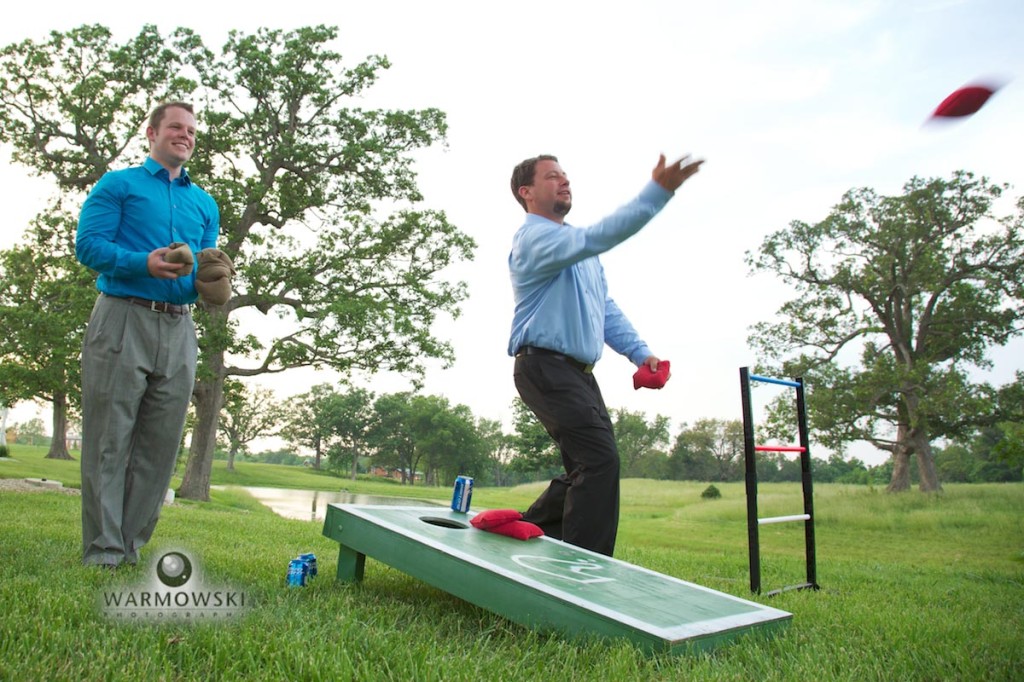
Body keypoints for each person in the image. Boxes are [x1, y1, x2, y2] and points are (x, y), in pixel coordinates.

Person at [507, 152, 703, 556]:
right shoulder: (536, 240)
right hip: (544, 366)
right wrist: (658, 192)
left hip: (577, 374)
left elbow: (604, 309)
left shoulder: (579, 251)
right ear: (526, 193)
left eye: (565, 175)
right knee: (599, 461)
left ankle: (524, 530)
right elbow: (598, 236)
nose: (564, 181)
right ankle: (584, 571)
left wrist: (639, 352)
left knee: (589, 465)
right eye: (551, 177)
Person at [76, 101, 220, 569]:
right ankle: (104, 550)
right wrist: (143, 263)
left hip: (180, 326)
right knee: (109, 439)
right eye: (175, 127)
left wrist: (214, 279)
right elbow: (88, 245)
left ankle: (131, 546)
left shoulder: (204, 203)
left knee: (160, 448)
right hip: (123, 316)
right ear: (152, 132)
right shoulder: (119, 185)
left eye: (192, 130)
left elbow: (207, 260)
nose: (185, 135)